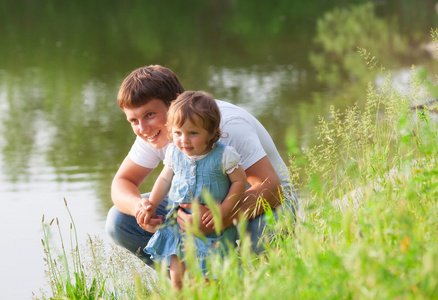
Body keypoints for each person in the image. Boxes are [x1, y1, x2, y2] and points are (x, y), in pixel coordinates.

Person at [106, 65, 297, 265]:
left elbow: (272, 188)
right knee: (120, 221)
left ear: (175, 103)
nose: (143, 128)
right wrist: (140, 207)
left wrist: (221, 218)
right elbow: (122, 182)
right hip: (196, 202)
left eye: (150, 114)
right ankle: (195, 282)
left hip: (264, 201)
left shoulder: (227, 125)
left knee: (265, 234)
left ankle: (255, 281)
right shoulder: (152, 133)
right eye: (133, 120)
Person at [137, 91, 247, 289]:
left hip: (212, 227)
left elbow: (240, 181)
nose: (184, 140)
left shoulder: (224, 155)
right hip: (179, 226)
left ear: (212, 132)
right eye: (178, 133)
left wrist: (224, 210)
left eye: (193, 133)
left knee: (209, 279)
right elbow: (164, 178)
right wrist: (152, 204)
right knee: (178, 278)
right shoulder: (174, 152)